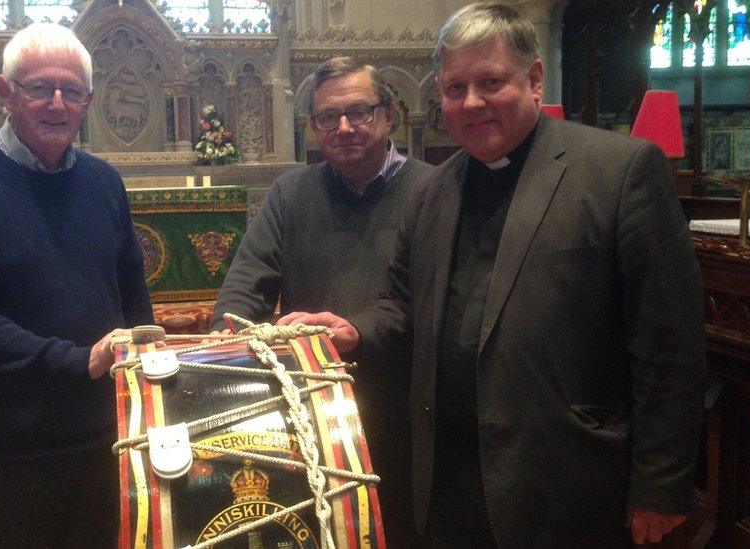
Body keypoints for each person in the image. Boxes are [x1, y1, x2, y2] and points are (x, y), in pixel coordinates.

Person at [279, 4, 705, 548]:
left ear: (533, 79)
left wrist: (661, 486)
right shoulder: (435, 190)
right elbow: (404, 301)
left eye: (491, 82)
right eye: (455, 88)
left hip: (567, 480)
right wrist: (354, 329)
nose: (471, 103)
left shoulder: (619, 172)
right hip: (450, 479)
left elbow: (670, 344)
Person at [0, 23, 152, 548]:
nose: (56, 104)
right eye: (39, 88)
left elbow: (132, 292)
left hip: (104, 430)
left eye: (71, 91)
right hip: (12, 438)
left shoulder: (103, 181)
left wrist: (147, 382)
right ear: (5, 92)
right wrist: (75, 361)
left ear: (88, 100)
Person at [211, 57, 432, 546]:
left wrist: (357, 330)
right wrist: (228, 340)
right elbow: (247, 281)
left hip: (403, 403)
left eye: (360, 112)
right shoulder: (291, 192)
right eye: (327, 117)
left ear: (390, 115)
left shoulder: (432, 190)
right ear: (313, 125)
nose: (344, 127)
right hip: (313, 408)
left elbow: (429, 298)